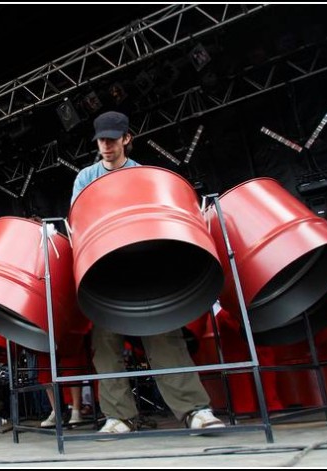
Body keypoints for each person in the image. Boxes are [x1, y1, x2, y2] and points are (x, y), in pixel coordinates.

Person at [71, 111, 225, 435]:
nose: (107, 146)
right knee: (105, 341)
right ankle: (119, 417)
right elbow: (77, 224)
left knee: (164, 334)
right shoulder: (85, 178)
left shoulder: (143, 174)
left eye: (113, 140)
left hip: (145, 269)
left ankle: (195, 410)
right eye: (101, 141)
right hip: (104, 271)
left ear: (127, 138)